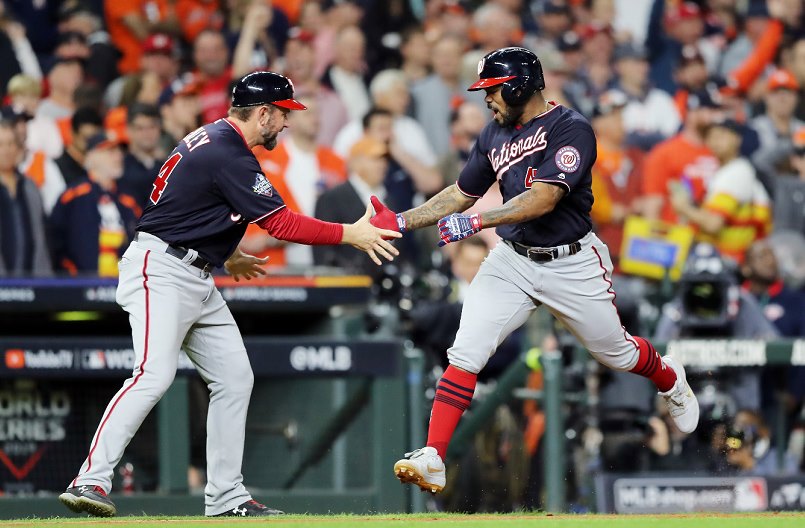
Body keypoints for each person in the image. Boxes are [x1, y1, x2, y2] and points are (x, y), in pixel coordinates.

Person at [58, 71, 400, 518]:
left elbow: (192, 204)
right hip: (162, 270)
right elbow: (283, 224)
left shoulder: (216, 138)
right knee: (153, 374)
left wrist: (227, 251)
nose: (285, 124)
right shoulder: (229, 152)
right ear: (262, 114)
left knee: (235, 378)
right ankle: (90, 478)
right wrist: (349, 233)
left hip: (192, 270)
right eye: (282, 115)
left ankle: (225, 496)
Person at [369, 47, 700, 494]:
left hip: (572, 260)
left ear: (520, 84)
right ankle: (434, 456)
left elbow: (544, 198)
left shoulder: (572, 127)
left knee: (616, 353)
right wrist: (404, 221)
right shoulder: (493, 134)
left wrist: (479, 221)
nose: (486, 98)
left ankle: (669, 377)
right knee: (466, 351)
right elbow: (461, 193)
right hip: (513, 258)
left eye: (493, 88)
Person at [670, 118, 771, 264]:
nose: (714, 141)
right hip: (727, 261)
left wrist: (683, 208)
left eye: (721, 135)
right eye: (710, 136)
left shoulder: (737, 171)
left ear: (737, 139)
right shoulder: (728, 170)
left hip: (733, 263)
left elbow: (713, 224)